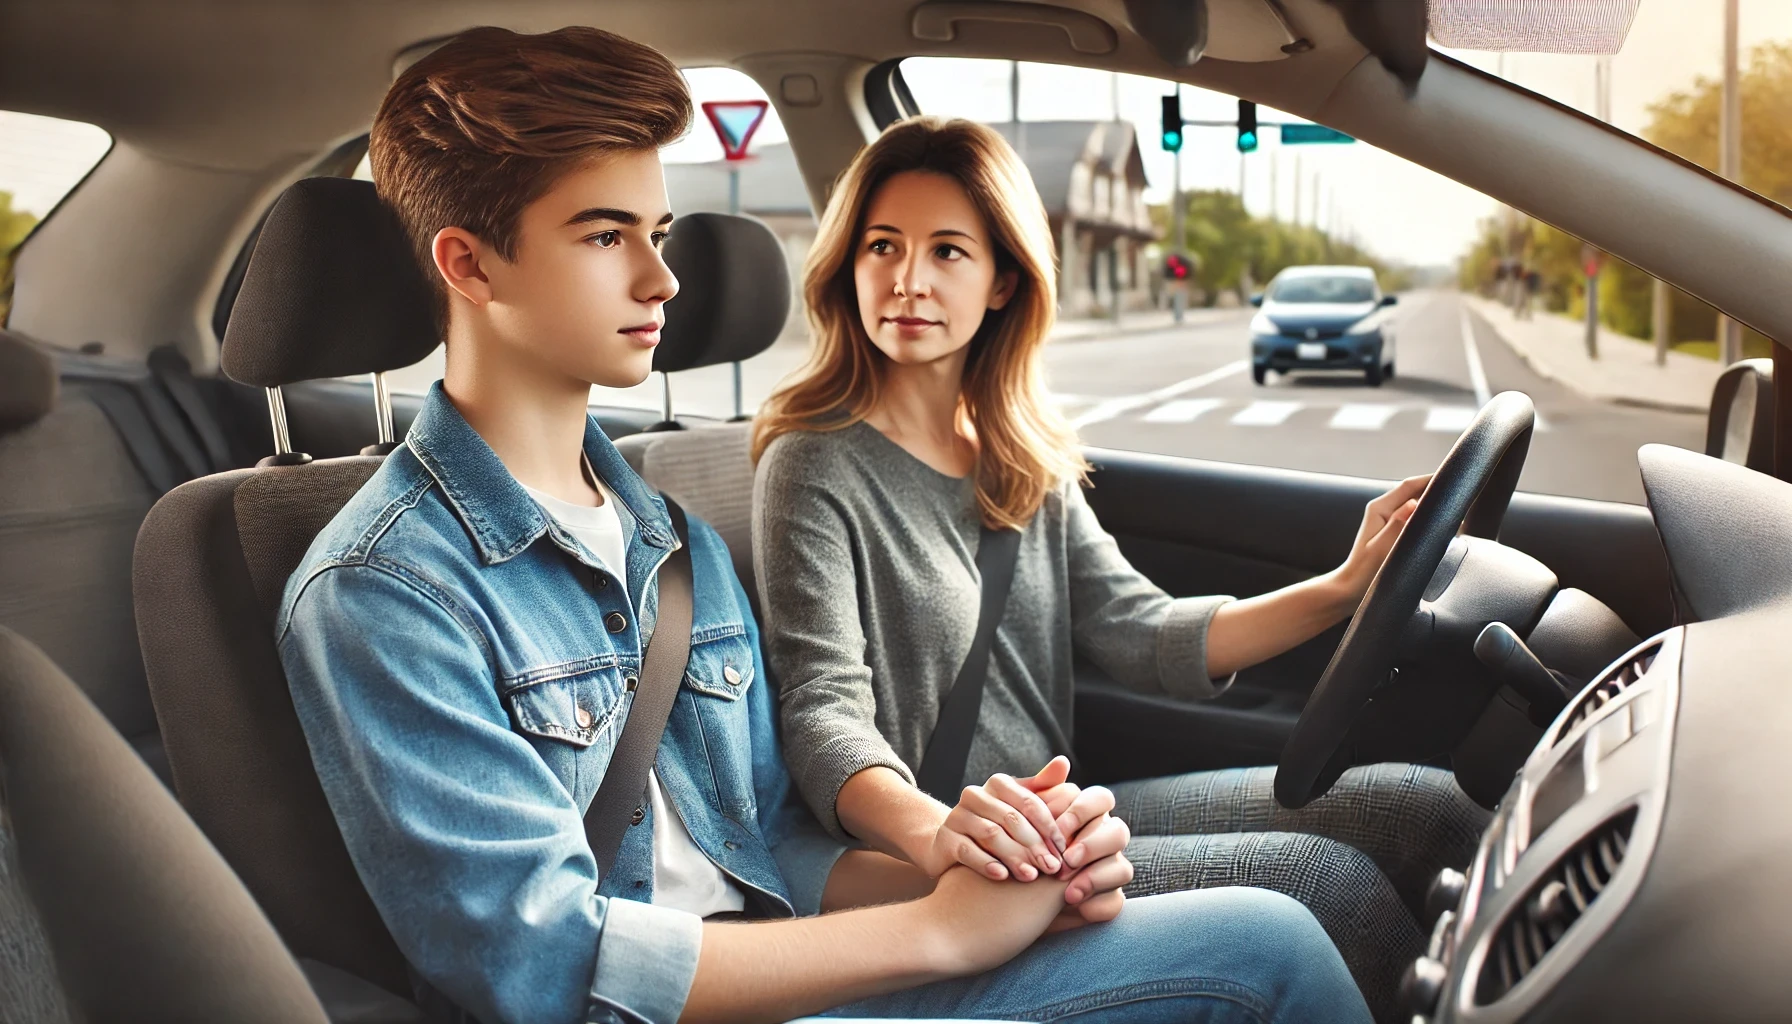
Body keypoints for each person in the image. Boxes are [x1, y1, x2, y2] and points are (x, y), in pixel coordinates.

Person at [276, 26, 1373, 1024]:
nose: (662, 276)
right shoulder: (385, 591)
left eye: (656, 231)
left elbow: (770, 842)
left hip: (798, 958)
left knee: (1277, 924)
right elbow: (546, 963)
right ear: (467, 263)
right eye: (607, 235)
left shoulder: (672, 541)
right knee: (1271, 943)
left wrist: (966, 868)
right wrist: (934, 928)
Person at [751, 116, 1490, 1022]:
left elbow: (1140, 631)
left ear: (1003, 282)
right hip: (949, 850)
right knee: (1323, 884)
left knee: (1427, 811)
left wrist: (1343, 589)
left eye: (948, 251)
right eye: (882, 247)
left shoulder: (1021, 457)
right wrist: (942, 836)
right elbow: (823, 713)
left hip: (1058, 819)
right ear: (847, 267)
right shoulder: (813, 462)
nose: (908, 280)